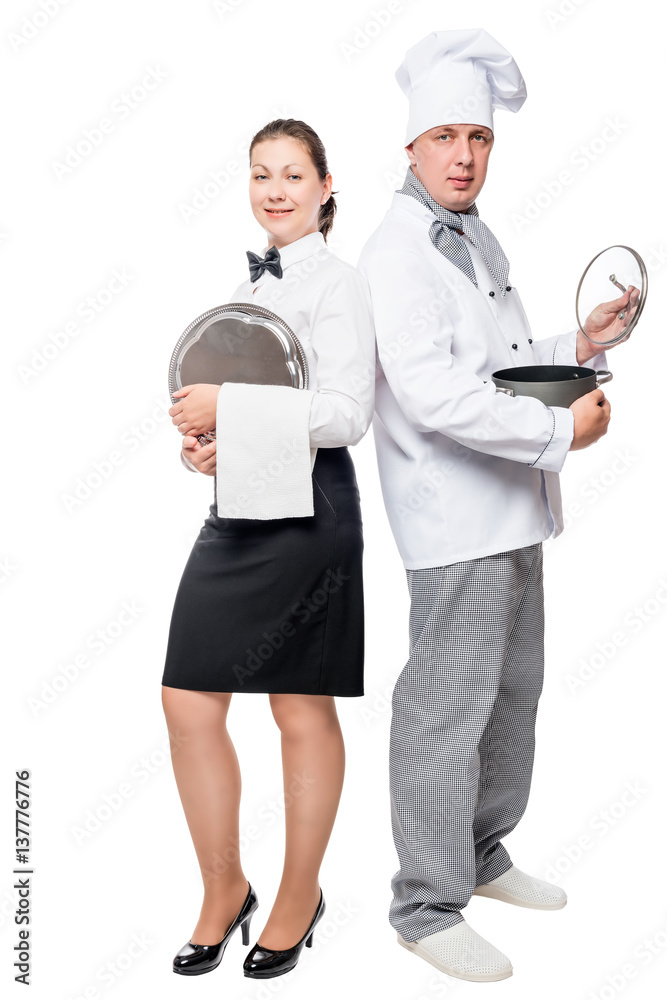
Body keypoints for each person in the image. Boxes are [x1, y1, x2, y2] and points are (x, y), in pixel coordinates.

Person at [357, 29, 633, 983]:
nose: (465, 156)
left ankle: (477, 856)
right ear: (410, 148)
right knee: (444, 712)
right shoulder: (394, 252)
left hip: (514, 516)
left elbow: (498, 369)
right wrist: (565, 436)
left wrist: (581, 340)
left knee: (512, 700)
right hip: (453, 528)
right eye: (445, 137)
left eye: (478, 137)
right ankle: (424, 905)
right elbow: (435, 397)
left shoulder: (477, 236)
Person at [161, 118, 375, 980]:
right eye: (260, 174)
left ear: (326, 188)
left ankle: (298, 895)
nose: (275, 189)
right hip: (239, 509)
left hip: (310, 515)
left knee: (298, 709)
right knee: (187, 700)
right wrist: (202, 446)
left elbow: (347, 414)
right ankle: (223, 890)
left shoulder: (343, 285)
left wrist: (229, 406)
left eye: (292, 174)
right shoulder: (252, 291)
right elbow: (244, 407)